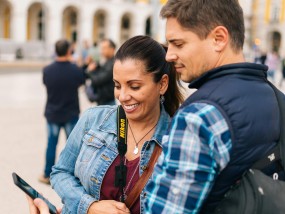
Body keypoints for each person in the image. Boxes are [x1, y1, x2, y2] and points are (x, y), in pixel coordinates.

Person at [145, 0, 282, 213]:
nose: (169, 55)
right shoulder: (276, 97)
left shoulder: (198, 117)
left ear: (218, 39)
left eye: (178, 44)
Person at [49, 35, 184, 214]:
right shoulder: (93, 119)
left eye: (134, 86)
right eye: (117, 85)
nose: (123, 96)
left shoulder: (179, 140)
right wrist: (89, 206)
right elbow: (60, 173)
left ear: (162, 84)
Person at [39, 39, 85, 184]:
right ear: (68, 51)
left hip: (52, 112)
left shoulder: (47, 70)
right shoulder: (75, 70)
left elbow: (46, 84)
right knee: (73, 146)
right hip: (70, 112)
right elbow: (81, 82)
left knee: (51, 144)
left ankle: (47, 174)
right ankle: (75, 176)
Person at [85, 39, 117, 105]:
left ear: (112, 49)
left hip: (107, 103)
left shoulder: (113, 64)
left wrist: (90, 71)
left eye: (104, 48)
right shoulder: (107, 61)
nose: (102, 51)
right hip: (103, 101)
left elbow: (98, 80)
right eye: (101, 48)